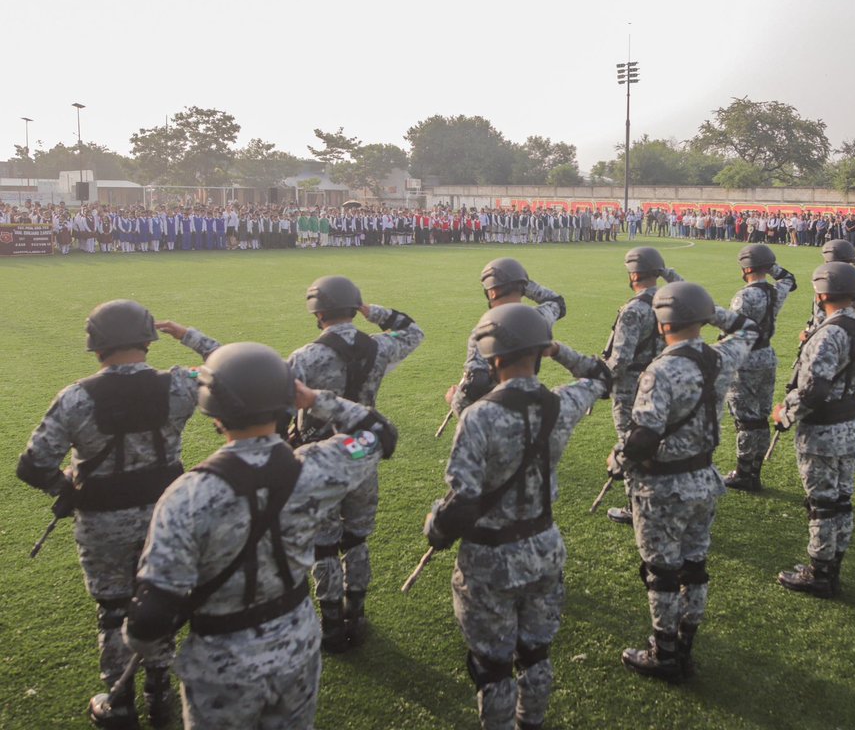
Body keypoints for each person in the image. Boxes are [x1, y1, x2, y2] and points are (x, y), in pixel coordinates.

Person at [123, 342, 395, 730]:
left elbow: (147, 622)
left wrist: (157, 652)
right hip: (297, 642)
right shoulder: (320, 466)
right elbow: (381, 433)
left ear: (213, 411)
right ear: (287, 402)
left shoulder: (186, 495)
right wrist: (315, 399)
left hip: (221, 661)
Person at [16, 300, 221, 728]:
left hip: (102, 521)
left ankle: (120, 702)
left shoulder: (75, 397)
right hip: (167, 516)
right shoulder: (179, 384)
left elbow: (32, 465)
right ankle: (160, 693)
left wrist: (68, 487)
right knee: (159, 599)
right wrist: (187, 335)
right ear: (149, 339)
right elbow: (232, 365)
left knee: (113, 611)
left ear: (95, 347)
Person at [423, 304, 611, 729]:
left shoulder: (478, 415)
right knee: (536, 654)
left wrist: (435, 529)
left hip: (489, 559)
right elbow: (602, 377)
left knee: (492, 667)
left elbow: (462, 500)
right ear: (538, 352)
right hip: (544, 547)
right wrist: (559, 350)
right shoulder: (561, 403)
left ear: (492, 358)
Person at [613, 282, 759, 680]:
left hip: (662, 486)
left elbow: (644, 437)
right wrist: (710, 312)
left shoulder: (659, 370)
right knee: (695, 566)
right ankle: (686, 644)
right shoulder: (719, 357)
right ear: (699, 319)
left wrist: (618, 458)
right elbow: (749, 329)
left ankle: (664, 653)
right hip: (704, 479)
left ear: (662, 324)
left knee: (661, 572)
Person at [288, 275, 424, 652]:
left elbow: (280, 405)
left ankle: (331, 623)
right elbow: (414, 331)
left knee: (325, 543)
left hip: (319, 458)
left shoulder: (305, 356)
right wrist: (373, 312)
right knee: (357, 537)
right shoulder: (378, 347)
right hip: (364, 448)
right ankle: (357, 613)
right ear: (354, 308)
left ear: (318, 313)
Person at [774, 264, 855, 597]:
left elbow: (814, 390)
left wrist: (785, 414)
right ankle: (832, 564)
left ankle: (821, 573)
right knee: (841, 500)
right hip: (849, 423)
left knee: (823, 504)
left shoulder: (828, 333)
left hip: (823, 430)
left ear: (822, 293)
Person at [601, 247, 684, 524]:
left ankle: (636, 506)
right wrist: (667, 273)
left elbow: (621, 358)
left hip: (630, 387)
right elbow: (687, 289)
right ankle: (662, 499)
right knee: (658, 441)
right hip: (663, 380)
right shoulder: (669, 301)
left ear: (634, 274)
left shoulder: (633, 309)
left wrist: (602, 375)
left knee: (631, 442)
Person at [447, 258, 566, 418]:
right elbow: (557, 302)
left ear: (492, 292)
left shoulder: (483, 330)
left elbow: (476, 382)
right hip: (530, 406)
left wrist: (454, 399)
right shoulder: (539, 318)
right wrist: (522, 284)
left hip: (495, 415)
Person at [722, 244, 797, 491]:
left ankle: (744, 473)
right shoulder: (775, 292)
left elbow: (733, 331)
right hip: (767, 355)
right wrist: (769, 265)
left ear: (746, 268)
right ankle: (754, 470)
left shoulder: (744, 296)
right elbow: (789, 278)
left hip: (746, 359)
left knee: (745, 419)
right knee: (760, 416)